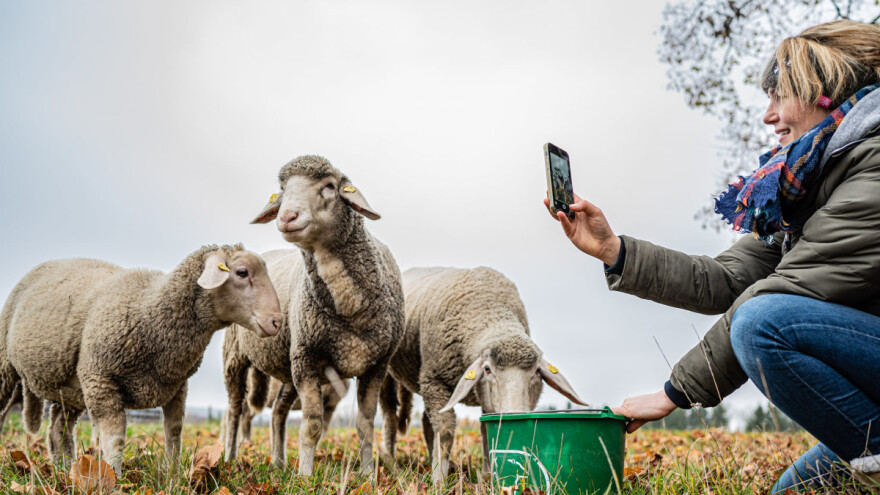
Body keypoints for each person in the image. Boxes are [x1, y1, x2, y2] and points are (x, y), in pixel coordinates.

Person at [546, 20, 880, 492]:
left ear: (825, 94)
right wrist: (613, 250)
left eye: (779, 97)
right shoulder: (808, 181)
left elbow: (785, 293)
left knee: (763, 323)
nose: (768, 116)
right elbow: (726, 280)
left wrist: (672, 393)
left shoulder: (874, 165)